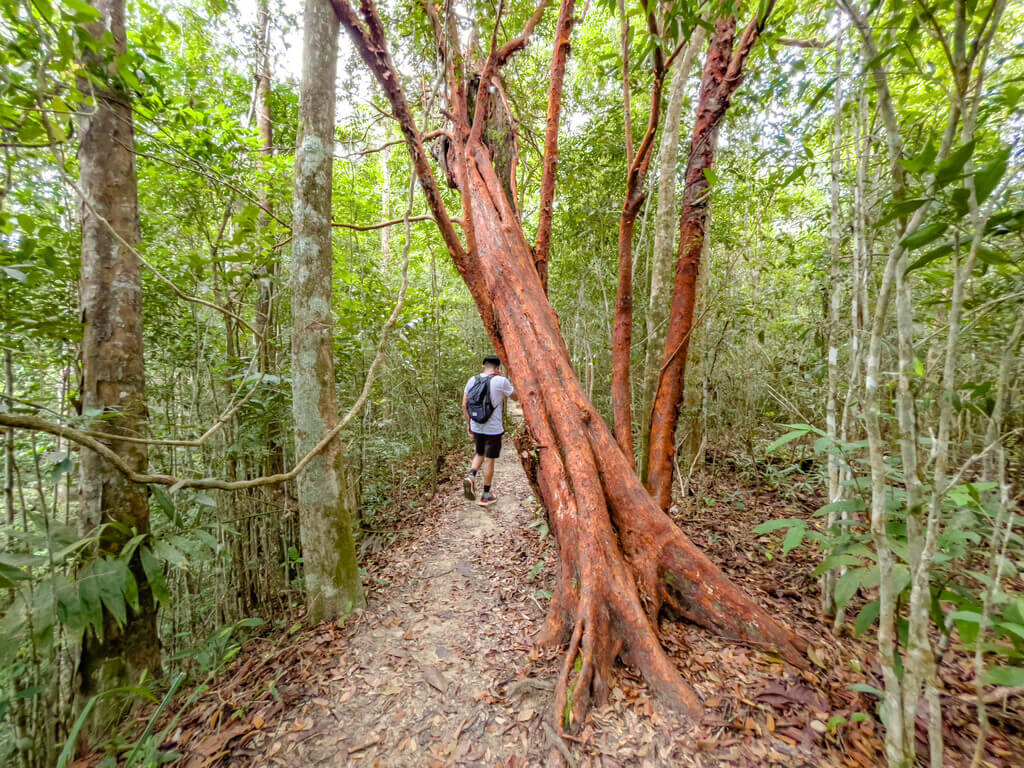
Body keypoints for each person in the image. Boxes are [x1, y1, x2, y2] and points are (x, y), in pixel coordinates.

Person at [462, 355, 517, 506]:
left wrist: (469, 424)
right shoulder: (501, 381)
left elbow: (464, 404)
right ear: (498, 368)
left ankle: (471, 476)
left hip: (476, 425)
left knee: (480, 453)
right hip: (493, 429)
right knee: (489, 459)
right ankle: (486, 495)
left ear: (483, 366)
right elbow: (516, 398)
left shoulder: (472, 380)